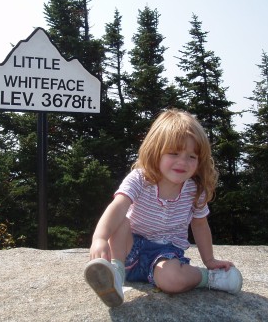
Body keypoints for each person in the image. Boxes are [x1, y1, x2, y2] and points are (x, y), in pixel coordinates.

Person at [84, 109, 242, 307]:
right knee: (121, 222)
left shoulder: (195, 190)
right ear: (155, 150)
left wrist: (209, 260)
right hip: (128, 250)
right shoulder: (140, 179)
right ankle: (116, 273)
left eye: (192, 156)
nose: (182, 162)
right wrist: (99, 239)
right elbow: (117, 207)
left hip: (165, 254)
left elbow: (200, 225)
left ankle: (209, 278)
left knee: (171, 280)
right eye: (174, 153)